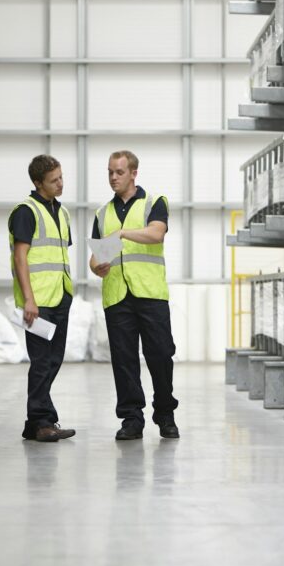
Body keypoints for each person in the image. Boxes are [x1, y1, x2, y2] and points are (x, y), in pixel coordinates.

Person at [89, 150, 179, 441]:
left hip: (150, 293)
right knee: (124, 360)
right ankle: (131, 419)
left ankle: (165, 415)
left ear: (133, 173)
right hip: (117, 296)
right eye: (110, 172)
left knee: (161, 355)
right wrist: (97, 267)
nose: (113, 178)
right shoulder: (103, 213)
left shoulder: (154, 203)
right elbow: (95, 257)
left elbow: (156, 234)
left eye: (119, 172)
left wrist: (125, 233)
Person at [9, 155, 76, 443]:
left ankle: (36, 421)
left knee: (54, 360)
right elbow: (20, 257)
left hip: (60, 296)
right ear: (38, 183)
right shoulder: (26, 211)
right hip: (38, 301)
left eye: (61, 177)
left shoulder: (62, 213)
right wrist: (28, 299)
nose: (60, 184)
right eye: (53, 180)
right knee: (41, 362)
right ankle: (42, 421)